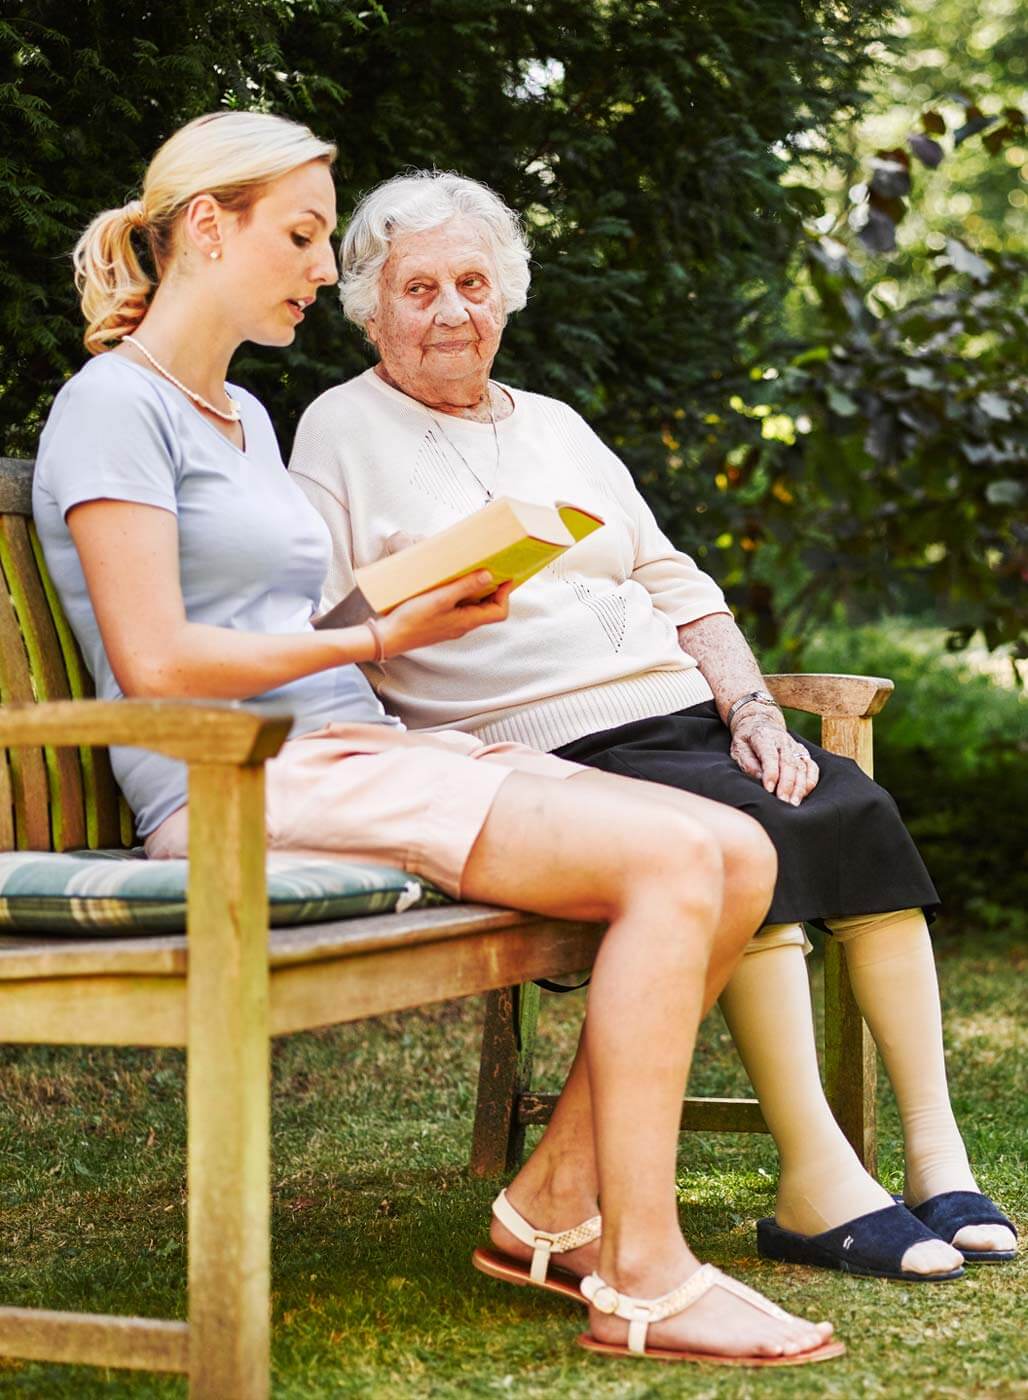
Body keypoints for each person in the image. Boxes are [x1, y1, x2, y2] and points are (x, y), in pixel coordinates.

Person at [31, 111, 846, 1368]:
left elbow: (288, 614)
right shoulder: (112, 410)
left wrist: (419, 604)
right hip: (242, 779)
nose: (319, 268)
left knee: (736, 847)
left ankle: (546, 1205)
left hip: (351, 749)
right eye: (302, 237)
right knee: (681, 864)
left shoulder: (240, 416)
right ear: (208, 227)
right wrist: (376, 637)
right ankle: (641, 1274)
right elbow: (163, 663)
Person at [288, 170, 1017, 1283]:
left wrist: (751, 705)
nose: (449, 312)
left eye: (472, 283)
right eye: (419, 288)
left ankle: (938, 1157)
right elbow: (325, 623)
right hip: (531, 747)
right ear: (371, 308)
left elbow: (676, 582)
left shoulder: (558, 425)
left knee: (845, 804)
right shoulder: (338, 428)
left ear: (507, 294)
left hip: (669, 708)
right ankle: (814, 1182)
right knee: (744, 838)